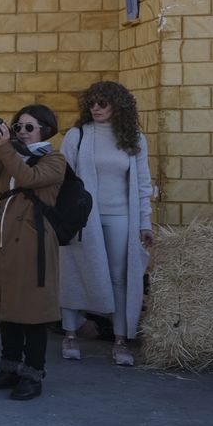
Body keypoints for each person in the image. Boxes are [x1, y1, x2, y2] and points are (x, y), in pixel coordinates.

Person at [0, 105, 67, 401]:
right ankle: (9, 367)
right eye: (18, 126)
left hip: (33, 243)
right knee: (9, 307)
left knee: (33, 311)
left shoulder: (54, 160)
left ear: (45, 130)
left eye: (29, 127)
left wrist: (5, 148)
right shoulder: (11, 155)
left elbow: (28, 178)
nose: (22, 132)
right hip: (3, 241)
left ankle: (33, 374)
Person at [59, 81, 154, 367]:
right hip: (82, 217)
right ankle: (70, 335)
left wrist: (145, 222)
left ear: (118, 104)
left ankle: (120, 340)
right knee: (75, 271)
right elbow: (62, 180)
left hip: (121, 216)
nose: (96, 108)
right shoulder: (77, 135)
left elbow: (143, 183)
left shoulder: (134, 138)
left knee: (119, 277)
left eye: (103, 103)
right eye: (91, 103)